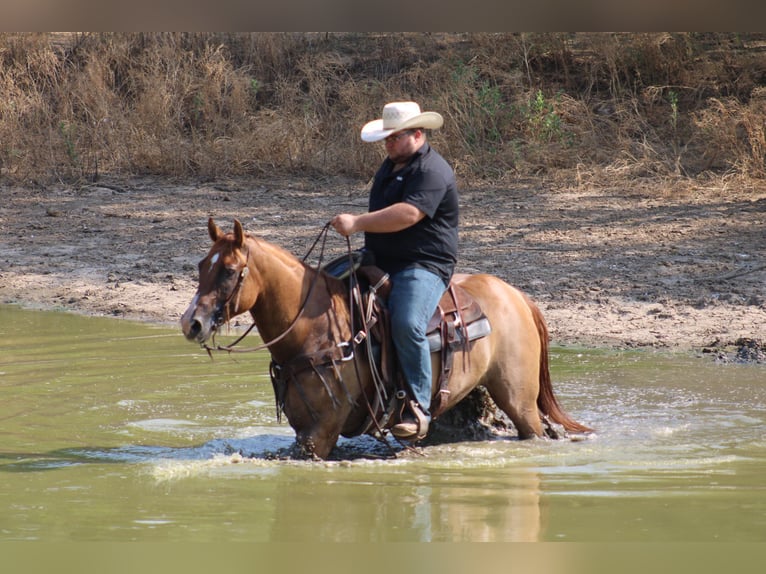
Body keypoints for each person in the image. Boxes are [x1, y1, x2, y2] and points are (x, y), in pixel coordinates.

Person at [331, 101, 459, 441]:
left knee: (406, 322)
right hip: (380, 258)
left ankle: (417, 407)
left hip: (424, 264)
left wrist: (356, 223)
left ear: (417, 135)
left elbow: (408, 214)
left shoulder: (433, 171)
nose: (387, 145)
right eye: (385, 139)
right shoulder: (389, 167)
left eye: (394, 138)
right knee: (326, 289)